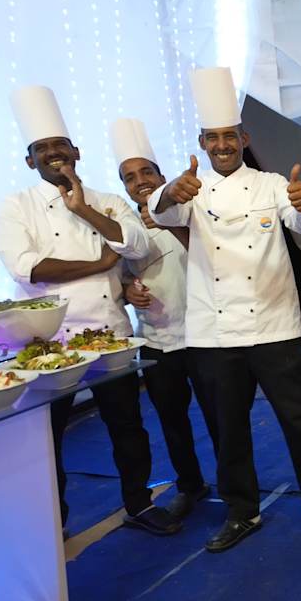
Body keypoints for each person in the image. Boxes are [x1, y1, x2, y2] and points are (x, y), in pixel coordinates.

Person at [148, 67, 301, 553]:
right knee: (228, 429)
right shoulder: (190, 189)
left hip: (274, 325)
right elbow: (160, 212)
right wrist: (169, 191)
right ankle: (242, 512)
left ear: (244, 138)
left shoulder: (272, 184)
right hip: (215, 334)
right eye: (213, 137)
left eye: (230, 136)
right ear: (202, 142)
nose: (222, 145)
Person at [0, 86, 180, 535]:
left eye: (60, 145)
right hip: (47, 345)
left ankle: (139, 504)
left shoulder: (107, 201)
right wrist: (99, 263)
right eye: (42, 148)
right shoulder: (15, 206)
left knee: (127, 427)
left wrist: (84, 211)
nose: (53, 153)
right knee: (46, 438)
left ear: (76, 152)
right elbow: (28, 267)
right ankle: (51, 523)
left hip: (109, 337)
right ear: (29, 161)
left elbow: (137, 243)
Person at [112, 117, 219, 520]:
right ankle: (190, 485)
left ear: (160, 176)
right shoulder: (122, 226)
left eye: (146, 172)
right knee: (173, 422)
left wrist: (166, 223)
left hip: (203, 335)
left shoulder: (189, 210)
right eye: (130, 177)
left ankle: (237, 488)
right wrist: (128, 290)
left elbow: (213, 258)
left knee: (220, 417)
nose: (139, 181)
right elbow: (118, 274)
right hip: (156, 340)